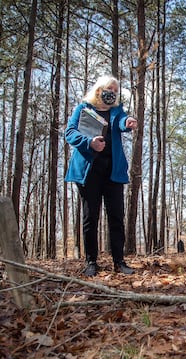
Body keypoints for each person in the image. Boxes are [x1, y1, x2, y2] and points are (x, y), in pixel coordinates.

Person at [65, 75, 136, 277]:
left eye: (115, 90)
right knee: (90, 217)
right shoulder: (83, 109)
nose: (112, 93)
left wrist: (128, 121)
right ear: (98, 90)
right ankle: (91, 262)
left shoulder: (116, 110)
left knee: (116, 217)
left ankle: (119, 261)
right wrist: (89, 142)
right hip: (89, 171)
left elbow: (122, 120)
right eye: (109, 89)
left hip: (112, 171)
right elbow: (69, 132)